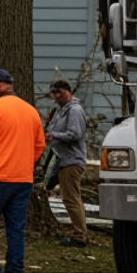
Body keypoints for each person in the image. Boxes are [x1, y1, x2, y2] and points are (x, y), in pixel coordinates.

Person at [0, 68, 46, 273]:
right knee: (15, 229)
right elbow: (40, 145)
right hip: (22, 179)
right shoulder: (31, 111)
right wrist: (25, 164)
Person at [45, 78, 89, 247]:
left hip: (72, 160)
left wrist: (53, 135)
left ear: (67, 91)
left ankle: (80, 235)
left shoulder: (74, 110)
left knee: (71, 199)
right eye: (53, 93)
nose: (56, 97)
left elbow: (74, 134)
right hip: (62, 160)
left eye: (59, 92)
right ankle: (80, 232)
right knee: (68, 197)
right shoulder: (60, 111)